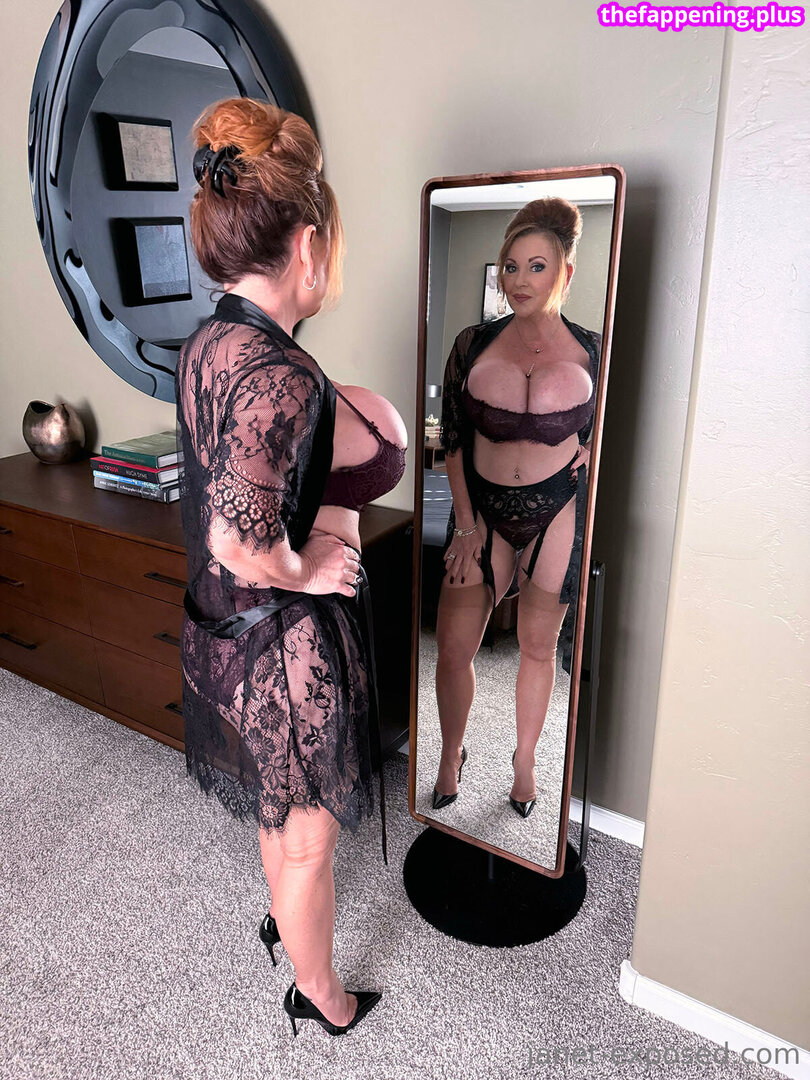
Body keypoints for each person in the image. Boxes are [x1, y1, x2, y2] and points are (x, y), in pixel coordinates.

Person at [174, 97, 406, 1038]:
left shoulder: (207, 342)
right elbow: (238, 540)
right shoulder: (281, 374)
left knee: (279, 812)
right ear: (308, 244)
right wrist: (306, 570)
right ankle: (323, 996)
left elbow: (224, 499)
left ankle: (285, 926)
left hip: (219, 633)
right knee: (308, 841)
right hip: (280, 645)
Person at [433, 197, 601, 819]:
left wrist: (595, 452)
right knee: (454, 649)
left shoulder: (593, 350)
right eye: (510, 266)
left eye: (536, 266)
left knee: (537, 646)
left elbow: (610, 426)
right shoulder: (473, 343)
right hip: (481, 509)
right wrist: (466, 523)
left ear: (565, 273)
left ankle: (525, 764)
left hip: (557, 507)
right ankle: (450, 753)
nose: (519, 280)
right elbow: (452, 437)